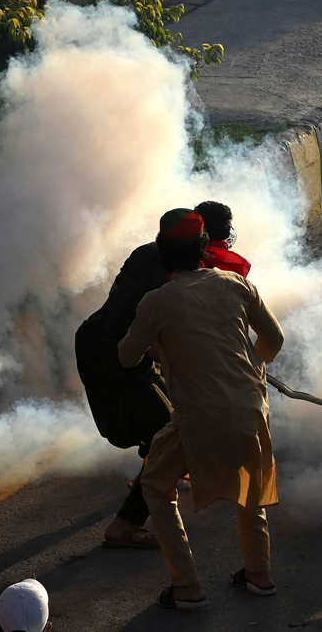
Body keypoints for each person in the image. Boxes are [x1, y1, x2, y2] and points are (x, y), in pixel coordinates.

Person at [119, 208, 284, 610]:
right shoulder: (237, 285)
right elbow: (273, 339)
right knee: (252, 491)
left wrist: (160, 347)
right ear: (204, 247)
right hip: (249, 408)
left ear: (163, 252)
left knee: (156, 484)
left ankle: (187, 587)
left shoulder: (156, 301)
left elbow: (126, 357)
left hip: (197, 417)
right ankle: (259, 576)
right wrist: (254, 366)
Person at [74, 201, 251, 549]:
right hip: (118, 355)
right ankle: (125, 523)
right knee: (175, 432)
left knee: (167, 416)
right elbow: (140, 339)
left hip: (104, 344)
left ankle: (152, 470)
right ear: (202, 245)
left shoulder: (148, 254)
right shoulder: (182, 279)